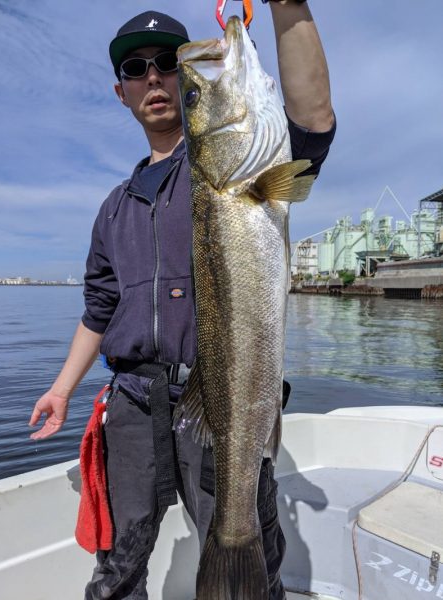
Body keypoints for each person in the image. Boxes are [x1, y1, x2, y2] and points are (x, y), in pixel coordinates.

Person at [29, 2, 335, 599]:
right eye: (136, 68)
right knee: (117, 563)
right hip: (133, 407)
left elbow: (313, 123)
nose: (154, 77)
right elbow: (99, 309)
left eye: (168, 63)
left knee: (247, 558)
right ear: (121, 92)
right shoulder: (112, 207)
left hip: (218, 396)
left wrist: (286, 6)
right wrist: (63, 389)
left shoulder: (237, 167)